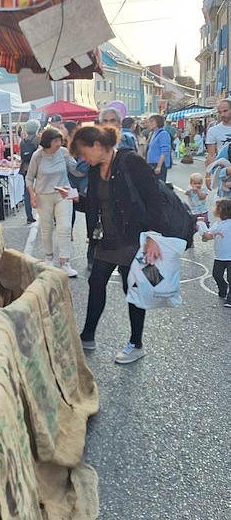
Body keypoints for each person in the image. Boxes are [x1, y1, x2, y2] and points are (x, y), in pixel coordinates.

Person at [70, 125, 165, 364]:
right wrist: (76, 199)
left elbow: (154, 198)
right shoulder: (94, 170)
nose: (83, 158)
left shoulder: (130, 161)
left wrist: (153, 235)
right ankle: (88, 335)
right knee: (96, 281)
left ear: (98, 146)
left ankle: (136, 343)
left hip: (133, 238)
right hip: (108, 239)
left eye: (83, 152)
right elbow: (95, 203)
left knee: (131, 288)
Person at [25, 127, 79, 277]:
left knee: (65, 227)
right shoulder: (38, 155)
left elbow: (76, 170)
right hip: (43, 195)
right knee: (46, 228)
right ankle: (49, 257)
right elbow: (29, 178)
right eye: (55, 140)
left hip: (64, 193)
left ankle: (65, 262)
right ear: (48, 141)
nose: (58, 143)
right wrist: (32, 196)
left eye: (60, 140)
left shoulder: (63, 152)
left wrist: (71, 156)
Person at [201, 198, 231, 306]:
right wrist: (202, 230)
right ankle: (223, 287)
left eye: (216, 207)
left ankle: (230, 299)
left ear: (221, 210)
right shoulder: (217, 225)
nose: (214, 209)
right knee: (217, 275)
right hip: (220, 256)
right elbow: (207, 237)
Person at [205, 100, 231, 190]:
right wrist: (208, 176)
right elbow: (211, 154)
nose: (222, 114)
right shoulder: (213, 130)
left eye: (225, 111)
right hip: (223, 171)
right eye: (220, 112)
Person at [19, 119, 40, 224]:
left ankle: (29, 215)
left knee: (27, 191)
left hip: (25, 167)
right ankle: (48, 214)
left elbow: (21, 155)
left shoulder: (23, 141)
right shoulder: (38, 139)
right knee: (42, 190)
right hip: (38, 167)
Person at [145, 114, 171, 181]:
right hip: (151, 163)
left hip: (159, 163)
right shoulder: (153, 134)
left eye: (152, 121)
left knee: (159, 185)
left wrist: (159, 166)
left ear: (158, 123)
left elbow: (164, 151)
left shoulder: (163, 134)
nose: (149, 124)